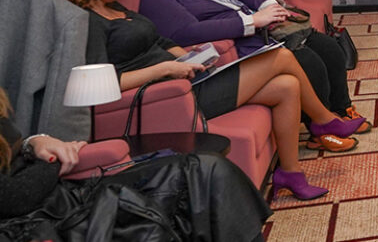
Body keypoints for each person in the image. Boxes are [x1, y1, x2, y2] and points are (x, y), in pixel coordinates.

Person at [59, 0, 366, 199]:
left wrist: (187, 56)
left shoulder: (113, 6)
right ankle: (324, 121)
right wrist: (165, 69)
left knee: (287, 86)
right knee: (282, 58)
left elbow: (160, 39)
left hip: (186, 78)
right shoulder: (86, 21)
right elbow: (103, 82)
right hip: (170, 97)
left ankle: (291, 174)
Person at [133, 0, 372, 150]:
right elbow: (188, 32)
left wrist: (268, 5)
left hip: (263, 27)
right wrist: (251, 22)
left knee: (329, 47)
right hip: (240, 41)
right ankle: (321, 131)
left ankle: (341, 110)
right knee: (309, 62)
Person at [0, 87, 270, 240]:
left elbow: (12, 147)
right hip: (33, 221)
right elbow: (14, 198)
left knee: (204, 168)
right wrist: (51, 161)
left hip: (64, 194)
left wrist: (34, 142)